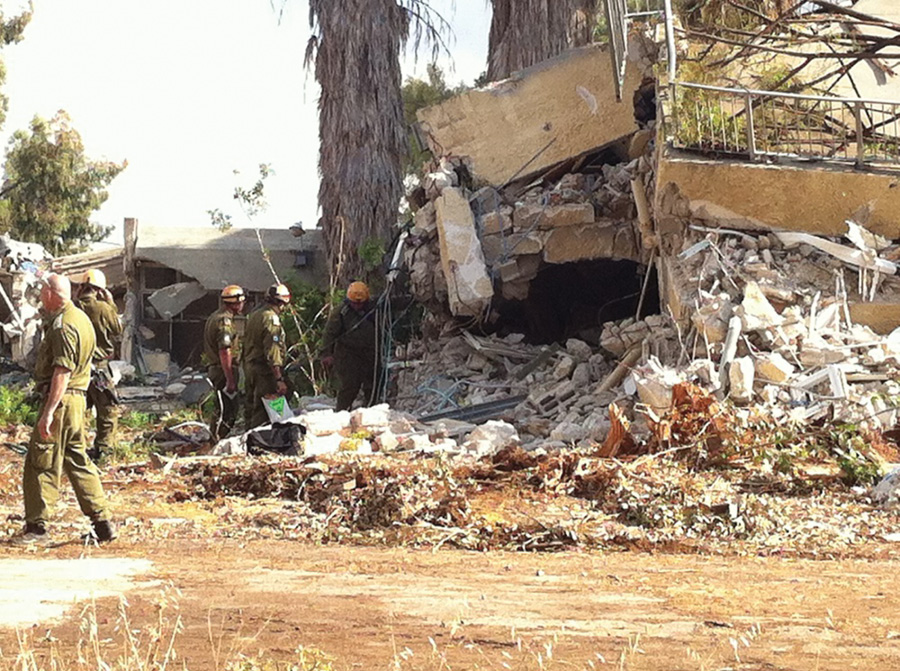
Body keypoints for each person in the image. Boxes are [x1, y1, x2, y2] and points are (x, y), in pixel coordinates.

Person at [21, 274, 115, 544]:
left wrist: (49, 410)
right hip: (76, 400)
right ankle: (103, 522)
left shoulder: (64, 325)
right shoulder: (81, 319)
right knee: (77, 460)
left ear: (51, 293)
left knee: (42, 461)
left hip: (62, 400)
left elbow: (62, 371)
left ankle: (37, 528)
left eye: (42, 292)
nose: (40, 297)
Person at [75, 269, 123, 462]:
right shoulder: (103, 308)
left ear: (81, 287)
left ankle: (77, 449)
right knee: (108, 409)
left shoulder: (73, 307)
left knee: (80, 410)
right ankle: (103, 451)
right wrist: (110, 303)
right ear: (100, 290)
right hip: (99, 367)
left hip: (77, 369)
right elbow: (117, 329)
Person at [321, 281, 381, 411]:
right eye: (354, 303)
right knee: (350, 384)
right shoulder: (341, 312)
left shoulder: (374, 307)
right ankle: (341, 411)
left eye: (360, 303)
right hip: (347, 353)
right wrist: (326, 354)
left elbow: (391, 303)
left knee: (373, 383)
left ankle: (372, 409)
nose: (357, 306)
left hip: (370, 351)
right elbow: (329, 334)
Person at [242, 282, 291, 428]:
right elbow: (273, 350)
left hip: (250, 367)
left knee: (250, 407)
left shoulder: (255, 315)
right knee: (263, 410)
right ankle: (258, 442)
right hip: (265, 371)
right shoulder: (271, 319)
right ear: (282, 302)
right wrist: (279, 378)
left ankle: (247, 439)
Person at [203, 285, 245, 440]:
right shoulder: (224, 321)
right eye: (242, 301)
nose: (243, 305)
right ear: (236, 302)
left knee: (221, 408)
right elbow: (224, 350)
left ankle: (215, 439)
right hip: (222, 371)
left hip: (217, 369)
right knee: (227, 410)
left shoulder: (215, 316)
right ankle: (218, 440)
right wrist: (230, 379)